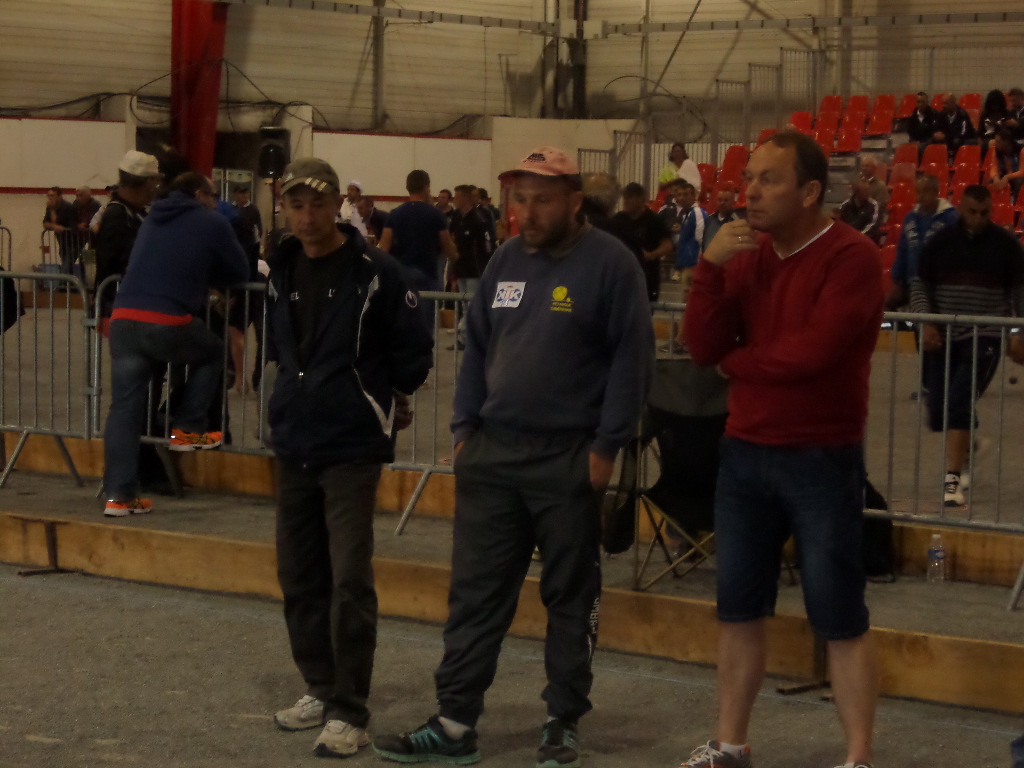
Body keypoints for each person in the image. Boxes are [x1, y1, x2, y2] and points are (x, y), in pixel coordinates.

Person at [372, 145, 654, 768]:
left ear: (574, 201)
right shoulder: (503, 260)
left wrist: (606, 448)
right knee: (475, 595)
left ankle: (562, 720)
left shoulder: (612, 264)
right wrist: (464, 430)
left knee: (570, 596)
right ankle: (454, 724)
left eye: (542, 200)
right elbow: (475, 346)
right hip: (493, 455)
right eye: (520, 199)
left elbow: (632, 363)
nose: (527, 212)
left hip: (568, 456)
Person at [681, 131, 883, 768]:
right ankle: (729, 746)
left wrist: (738, 363)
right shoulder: (743, 255)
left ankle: (857, 757)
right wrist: (709, 268)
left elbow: (812, 354)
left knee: (839, 614)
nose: (750, 192)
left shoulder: (851, 257)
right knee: (738, 610)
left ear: (811, 191)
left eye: (768, 180)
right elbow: (702, 346)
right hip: (745, 452)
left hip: (820, 455)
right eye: (749, 178)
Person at [266, 157, 433, 759]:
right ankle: (319, 685)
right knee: (299, 575)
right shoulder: (281, 265)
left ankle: (350, 710)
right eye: (296, 205)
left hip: (351, 446)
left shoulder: (378, 272)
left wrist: (389, 393)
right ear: (285, 208)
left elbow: (414, 349)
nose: (306, 216)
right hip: (294, 440)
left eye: (317, 203)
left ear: (338, 203)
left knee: (349, 580)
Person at [101, 172, 249, 517]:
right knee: (213, 352)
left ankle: (119, 496)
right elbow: (240, 270)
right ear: (199, 194)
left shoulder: (151, 218)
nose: (215, 202)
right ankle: (188, 427)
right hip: (166, 320)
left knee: (124, 411)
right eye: (212, 196)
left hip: (124, 319)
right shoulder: (211, 222)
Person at [910, 184, 1024, 507]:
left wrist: (1019, 333)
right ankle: (968, 446)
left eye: (984, 213)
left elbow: (1021, 293)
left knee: (959, 402)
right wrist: (926, 322)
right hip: (944, 336)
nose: (978, 219)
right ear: (961, 208)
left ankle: (952, 482)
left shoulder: (1006, 245)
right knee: (938, 411)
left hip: (985, 335)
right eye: (972, 212)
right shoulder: (940, 243)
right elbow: (920, 286)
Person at [379, 169, 458, 336]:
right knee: (425, 327)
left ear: (408, 187)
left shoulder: (395, 214)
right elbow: (448, 247)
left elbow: (383, 248)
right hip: (427, 275)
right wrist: (457, 256)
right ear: (426, 187)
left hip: (401, 276)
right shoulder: (436, 215)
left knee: (402, 324)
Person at [94, 151, 163, 321]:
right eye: (154, 182)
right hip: (122, 306)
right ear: (145, 183)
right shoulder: (117, 216)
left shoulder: (136, 213)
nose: (155, 189)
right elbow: (117, 261)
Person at [887, 174, 957, 310]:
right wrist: (898, 279)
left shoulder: (950, 218)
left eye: (925, 192)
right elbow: (903, 249)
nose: (920, 197)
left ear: (935, 192)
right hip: (910, 282)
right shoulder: (910, 218)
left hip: (937, 285)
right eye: (918, 192)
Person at [611, 181, 673, 302]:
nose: (626, 201)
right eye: (625, 197)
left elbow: (667, 245)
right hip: (622, 277)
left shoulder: (654, 220)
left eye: (630, 197)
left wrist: (652, 255)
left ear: (641, 199)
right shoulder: (618, 220)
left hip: (647, 277)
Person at [448, 184, 494, 348]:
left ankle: (471, 339)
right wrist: (453, 273)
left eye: (457, 197)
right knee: (465, 306)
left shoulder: (479, 220)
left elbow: (487, 247)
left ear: (466, 198)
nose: (454, 200)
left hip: (475, 271)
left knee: (474, 306)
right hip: (461, 270)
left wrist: (486, 269)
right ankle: (465, 338)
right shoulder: (458, 219)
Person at [672, 181, 707, 296]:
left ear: (693, 196)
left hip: (694, 266)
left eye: (685, 194)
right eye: (679, 195)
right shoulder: (688, 214)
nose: (682, 198)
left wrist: (699, 266)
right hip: (687, 265)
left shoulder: (697, 213)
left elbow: (702, 240)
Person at [42, 186, 78, 274]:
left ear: (60, 196)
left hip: (74, 241)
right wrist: (54, 226)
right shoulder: (51, 207)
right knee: (67, 267)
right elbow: (45, 223)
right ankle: (69, 282)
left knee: (66, 267)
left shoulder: (67, 207)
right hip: (62, 242)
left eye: (52, 195)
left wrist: (54, 224)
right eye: (48, 195)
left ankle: (62, 283)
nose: (50, 198)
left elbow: (57, 222)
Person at [930, 93, 977, 160]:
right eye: (942, 103)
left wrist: (946, 136)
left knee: (957, 141)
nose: (943, 106)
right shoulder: (941, 114)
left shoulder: (962, 115)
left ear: (953, 104)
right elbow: (936, 128)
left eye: (946, 103)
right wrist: (935, 134)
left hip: (965, 139)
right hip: (950, 139)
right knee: (933, 141)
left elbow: (962, 134)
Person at [839, 178, 882, 244]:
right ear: (856, 192)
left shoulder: (873, 205)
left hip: (865, 241)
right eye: (865, 191)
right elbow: (839, 224)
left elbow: (873, 226)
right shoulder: (845, 206)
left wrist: (857, 237)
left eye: (868, 190)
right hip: (847, 240)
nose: (868, 193)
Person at [988, 129, 1024, 200]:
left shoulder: (1021, 150)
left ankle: (1016, 204)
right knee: (991, 181)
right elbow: (994, 167)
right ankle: (996, 202)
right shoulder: (997, 150)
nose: (995, 144)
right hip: (1005, 175)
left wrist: (1008, 177)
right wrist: (995, 177)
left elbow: (1022, 171)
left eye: (998, 142)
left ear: (1006, 142)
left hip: (1018, 176)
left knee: (1019, 181)